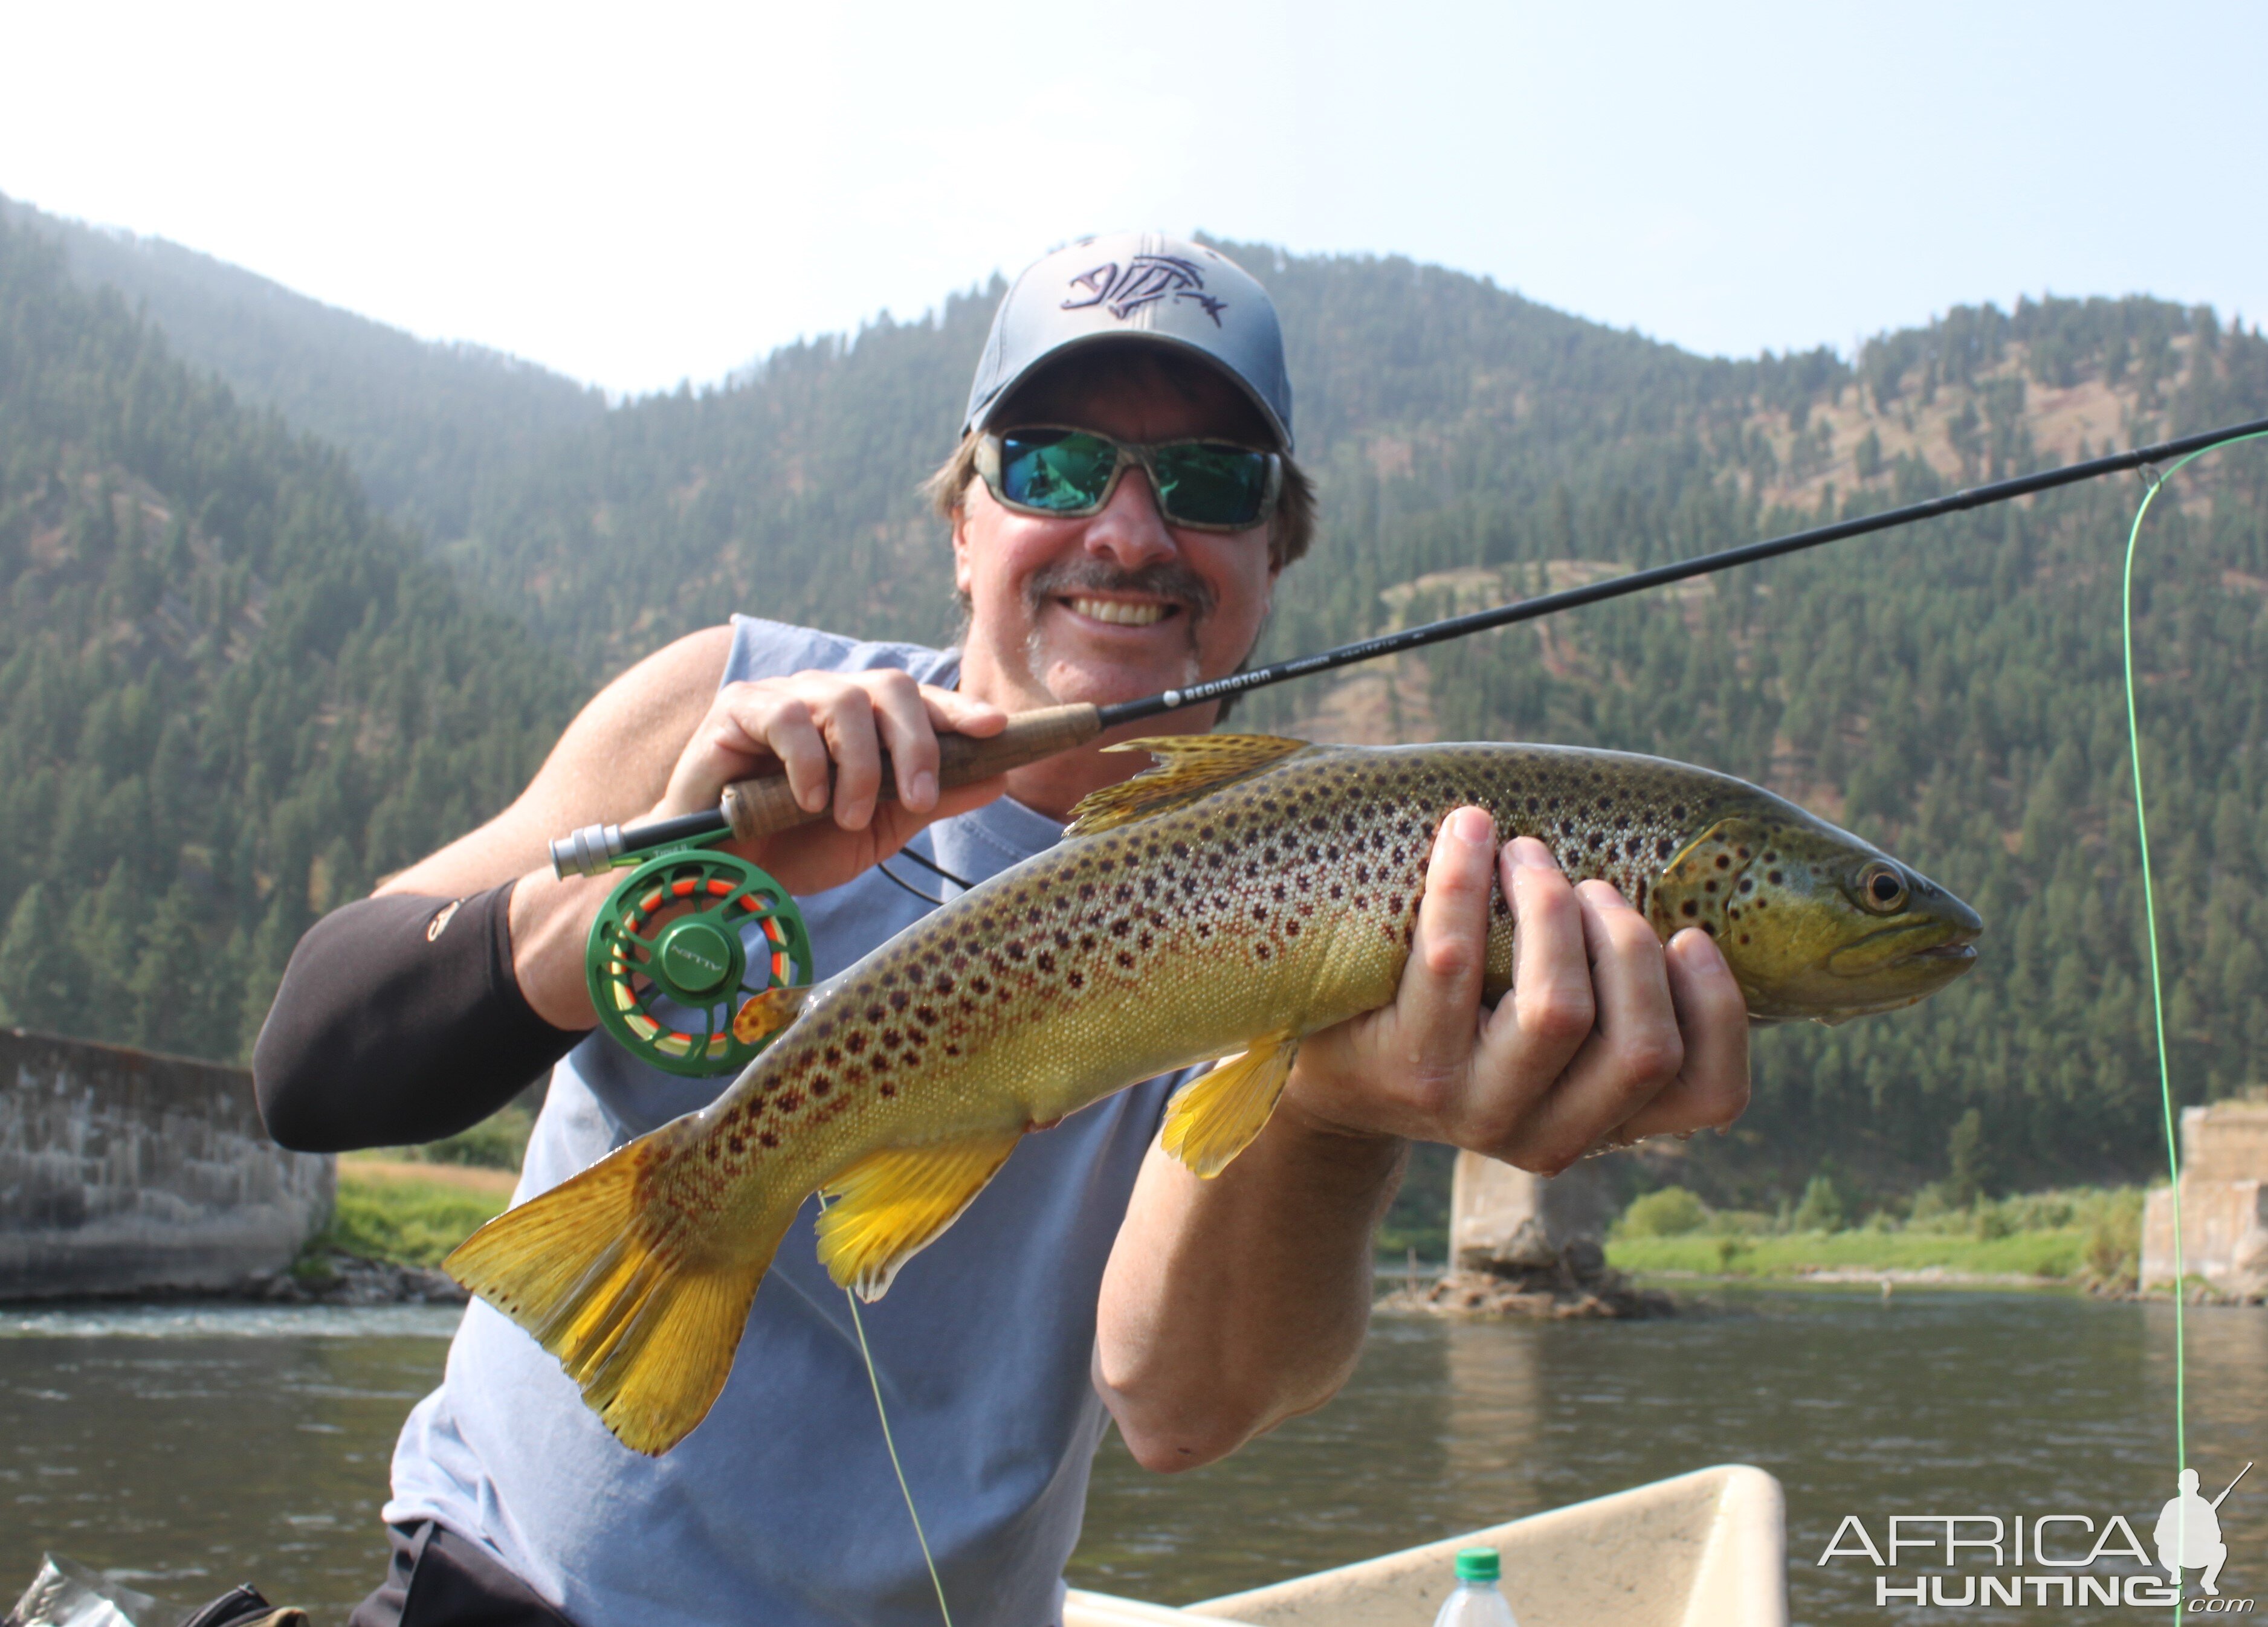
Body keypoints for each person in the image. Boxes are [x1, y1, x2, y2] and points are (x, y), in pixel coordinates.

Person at [254, 232, 1751, 1627]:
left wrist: (1338, 1109)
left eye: (1210, 484)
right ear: (963, 523)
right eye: (1052, 465)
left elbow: (1175, 1406)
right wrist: (651, 886)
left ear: (1270, 557)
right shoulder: (726, 699)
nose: (1128, 529)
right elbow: (313, 1070)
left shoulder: (1329, 891)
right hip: (504, 1593)